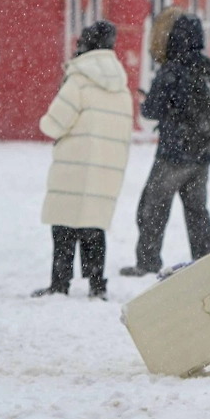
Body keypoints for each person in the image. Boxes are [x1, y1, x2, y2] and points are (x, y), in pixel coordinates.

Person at [32, 22, 133, 300]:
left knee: (64, 224)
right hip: (106, 167)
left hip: (74, 167)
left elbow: (53, 124)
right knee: (93, 225)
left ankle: (59, 284)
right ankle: (97, 285)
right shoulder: (121, 86)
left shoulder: (78, 80)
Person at [121, 14, 210, 277]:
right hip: (202, 156)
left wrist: (146, 101)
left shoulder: (172, 69)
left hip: (174, 154)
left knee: (152, 207)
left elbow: (153, 109)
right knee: (197, 212)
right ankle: (206, 260)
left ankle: (147, 261)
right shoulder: (208, 68)